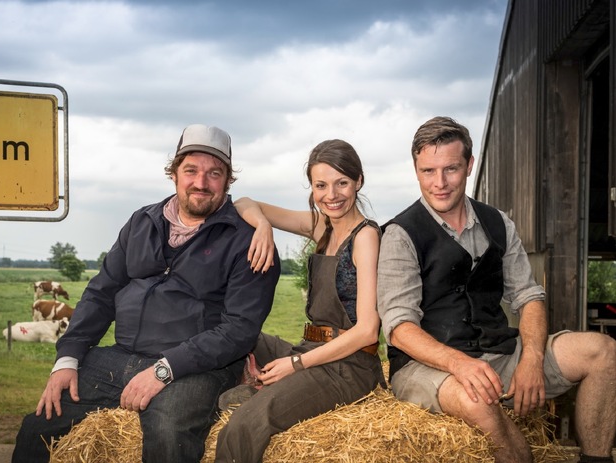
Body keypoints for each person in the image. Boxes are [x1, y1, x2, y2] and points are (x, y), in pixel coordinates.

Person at [11, 124, 281, 463]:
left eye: (214, 173)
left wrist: (164, 370)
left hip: (196, 368)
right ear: (174, 174)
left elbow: (239, 330)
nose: (201, 182)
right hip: (120, 357)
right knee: (37, 426)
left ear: (228, 180)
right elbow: (101, 293)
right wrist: (68, 358)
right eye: (191, 171)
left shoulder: (247, 241)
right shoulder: (142, 222)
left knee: (169, 434)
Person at [377, 116, 616, 463]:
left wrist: (532, 359)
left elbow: (529, 297)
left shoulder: (498, 222)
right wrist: (460, 364)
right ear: (416, 170)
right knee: (480, 402)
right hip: (425, 366)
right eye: (428, 171)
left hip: (497, 352)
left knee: (603, 350)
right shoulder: (400, 234)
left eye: (451, 169)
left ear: (470, 165)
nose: (439, 183)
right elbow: (399, 329)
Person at [214, 139, 387, 462]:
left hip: (348, 366)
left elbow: (367, 331)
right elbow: (244, 203)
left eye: (342, 183)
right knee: (238, 333)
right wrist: (263, 225)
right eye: (321, 185)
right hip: (311, 347)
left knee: (244, 424)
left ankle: (255, 399)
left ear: (358, 181)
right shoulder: (321, 227)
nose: (331, 195)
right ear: (311, 186)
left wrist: (294, 365)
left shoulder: (365, 237)